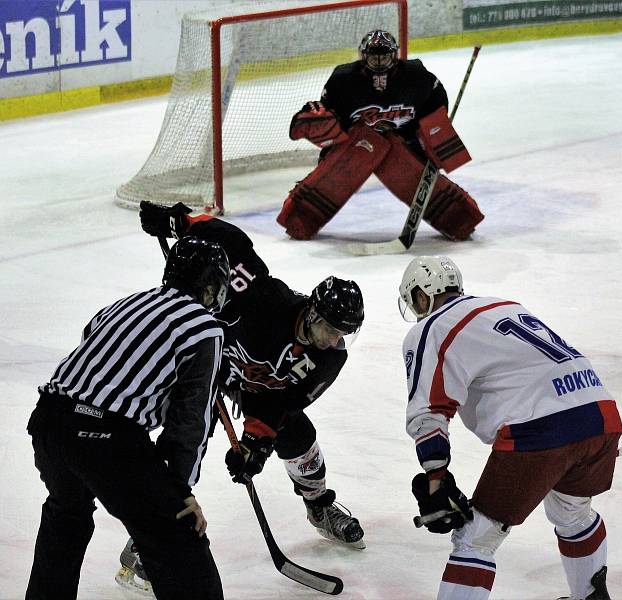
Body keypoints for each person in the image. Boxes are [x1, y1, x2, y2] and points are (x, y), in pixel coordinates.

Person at [139, 201, 367, 553]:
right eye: (332, 329)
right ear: (311, 313)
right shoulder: (266, 301)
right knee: (184, 443)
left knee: (299, 436)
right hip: (205, 366)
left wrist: (255, 443)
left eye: (344, 334)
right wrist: (179, 220)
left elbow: (283, 402)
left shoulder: (329, 358)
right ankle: (146, 542)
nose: (336, 341)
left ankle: (319, 506)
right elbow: (230, 240)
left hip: (253, 386)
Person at [398, 256, 622, 600]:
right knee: (572, 512)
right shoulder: (504, 305)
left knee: (476, 538)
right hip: (601, 415)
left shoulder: (433, 327)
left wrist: (435, 477)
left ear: (423, 296)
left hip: (541, 430)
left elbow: (429, 411)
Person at [26, 236, 229, 600]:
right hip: (104, 436)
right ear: (211, 288)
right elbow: (189, 422)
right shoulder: (205, 328)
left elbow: (95, 351)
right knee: (179, 537)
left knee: (66, 516)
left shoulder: (124, 304)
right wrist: (179, 491)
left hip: (48, 421)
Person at [277, 29, 484, 241]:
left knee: (410, 168)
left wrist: (433, 135)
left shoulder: (416, 76)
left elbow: (436, 103)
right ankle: (302, 213)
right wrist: (319, 121)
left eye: (383, 57)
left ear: (394, 55)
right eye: (373, 57)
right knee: (357, 149)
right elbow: (332, 118)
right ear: (362, 56)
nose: (378, 62)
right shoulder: (343, 80)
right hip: (356, 142)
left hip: (405, 141)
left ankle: (458, 216)